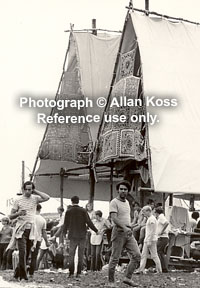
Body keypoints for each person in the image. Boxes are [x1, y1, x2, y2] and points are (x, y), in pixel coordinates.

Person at [9, 181, 50, 281]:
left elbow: (47, 197)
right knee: (22, 253)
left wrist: (35, 191)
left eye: (30, 189)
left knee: (27, 254)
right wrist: (19, 213)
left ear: (32, 189)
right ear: (23, 189)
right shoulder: (18, 200)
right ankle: (24, 275)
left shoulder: (35, 198)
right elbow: (10, 216)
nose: (28, 191)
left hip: (31, 229)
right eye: (26, 189)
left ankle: (16, 274)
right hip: (21, 229)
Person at [108, 180, 140, 287]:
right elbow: (114, 218)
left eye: (125, 189)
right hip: (118, 232)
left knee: (136, 255)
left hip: (128, 232)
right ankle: (111, 281)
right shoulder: (114, 202)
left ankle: (127, 278)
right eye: (121, 189)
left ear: (128, 191)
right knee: (115, 258)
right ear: (118, 190)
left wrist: (130, 226)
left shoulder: (127, 202)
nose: (123, 191)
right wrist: (124, 227)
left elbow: (126, 218)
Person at [61, 196, 98, 278]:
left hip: (72, 236)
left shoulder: (68, 211)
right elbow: (89, 222)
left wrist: (64, 234)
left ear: (71, 201)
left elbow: (65, 224)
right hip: (82, 235)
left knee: (71, 255)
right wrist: (96, 230)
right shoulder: (83, 211)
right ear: (78, 201)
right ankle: (78, 273)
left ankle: (71, 273)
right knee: (81, 255)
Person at [135, 205, 162, 274]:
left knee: (154, 255)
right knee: (144, 255)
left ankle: (159, 270)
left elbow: (152, 230)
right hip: (148, 239)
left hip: (151, 240)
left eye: (144, 211)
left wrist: (149, 240)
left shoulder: (152, 219)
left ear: (148, 211)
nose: (143, 213)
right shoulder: (150, 218)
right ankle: (141, 269)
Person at [29, 203, 49, 277]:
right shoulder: (43, 219)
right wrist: (46, 242)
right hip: (38, 239)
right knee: (34, 257)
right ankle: (31, 273)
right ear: (40, 210)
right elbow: (44, 232)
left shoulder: (30, 217)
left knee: (25, 255)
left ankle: (22, 272)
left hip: (29, 238)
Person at [155, 207, 169, 273]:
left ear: (157, 213)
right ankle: (163, 267)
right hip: (163, 237)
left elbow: (166, 223)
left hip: (162, 237)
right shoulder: (161, 217)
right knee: (161, 252)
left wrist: (161, 231)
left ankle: (161, 267)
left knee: (159, 252)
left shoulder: (161, 217)